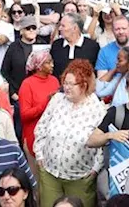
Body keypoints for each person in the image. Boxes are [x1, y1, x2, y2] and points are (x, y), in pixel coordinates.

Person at [32, 58, 107, 207]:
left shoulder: (98, 109)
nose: (66, 87)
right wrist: (39, 155)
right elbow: (41, 128)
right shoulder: (57, 100)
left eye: (71, 84)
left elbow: (102, 143)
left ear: (84, 85)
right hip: (50, 173)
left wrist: (95, 170)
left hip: (80, 177)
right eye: (65, 83)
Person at [18, 50, 61, 154]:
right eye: (48, 62)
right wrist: (47, 102)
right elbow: (24, 115)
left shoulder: (54, 80)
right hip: (33, 136)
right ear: (39, 66)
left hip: (53, 136)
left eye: (52, 62)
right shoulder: (27, 84)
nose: (52, 65)